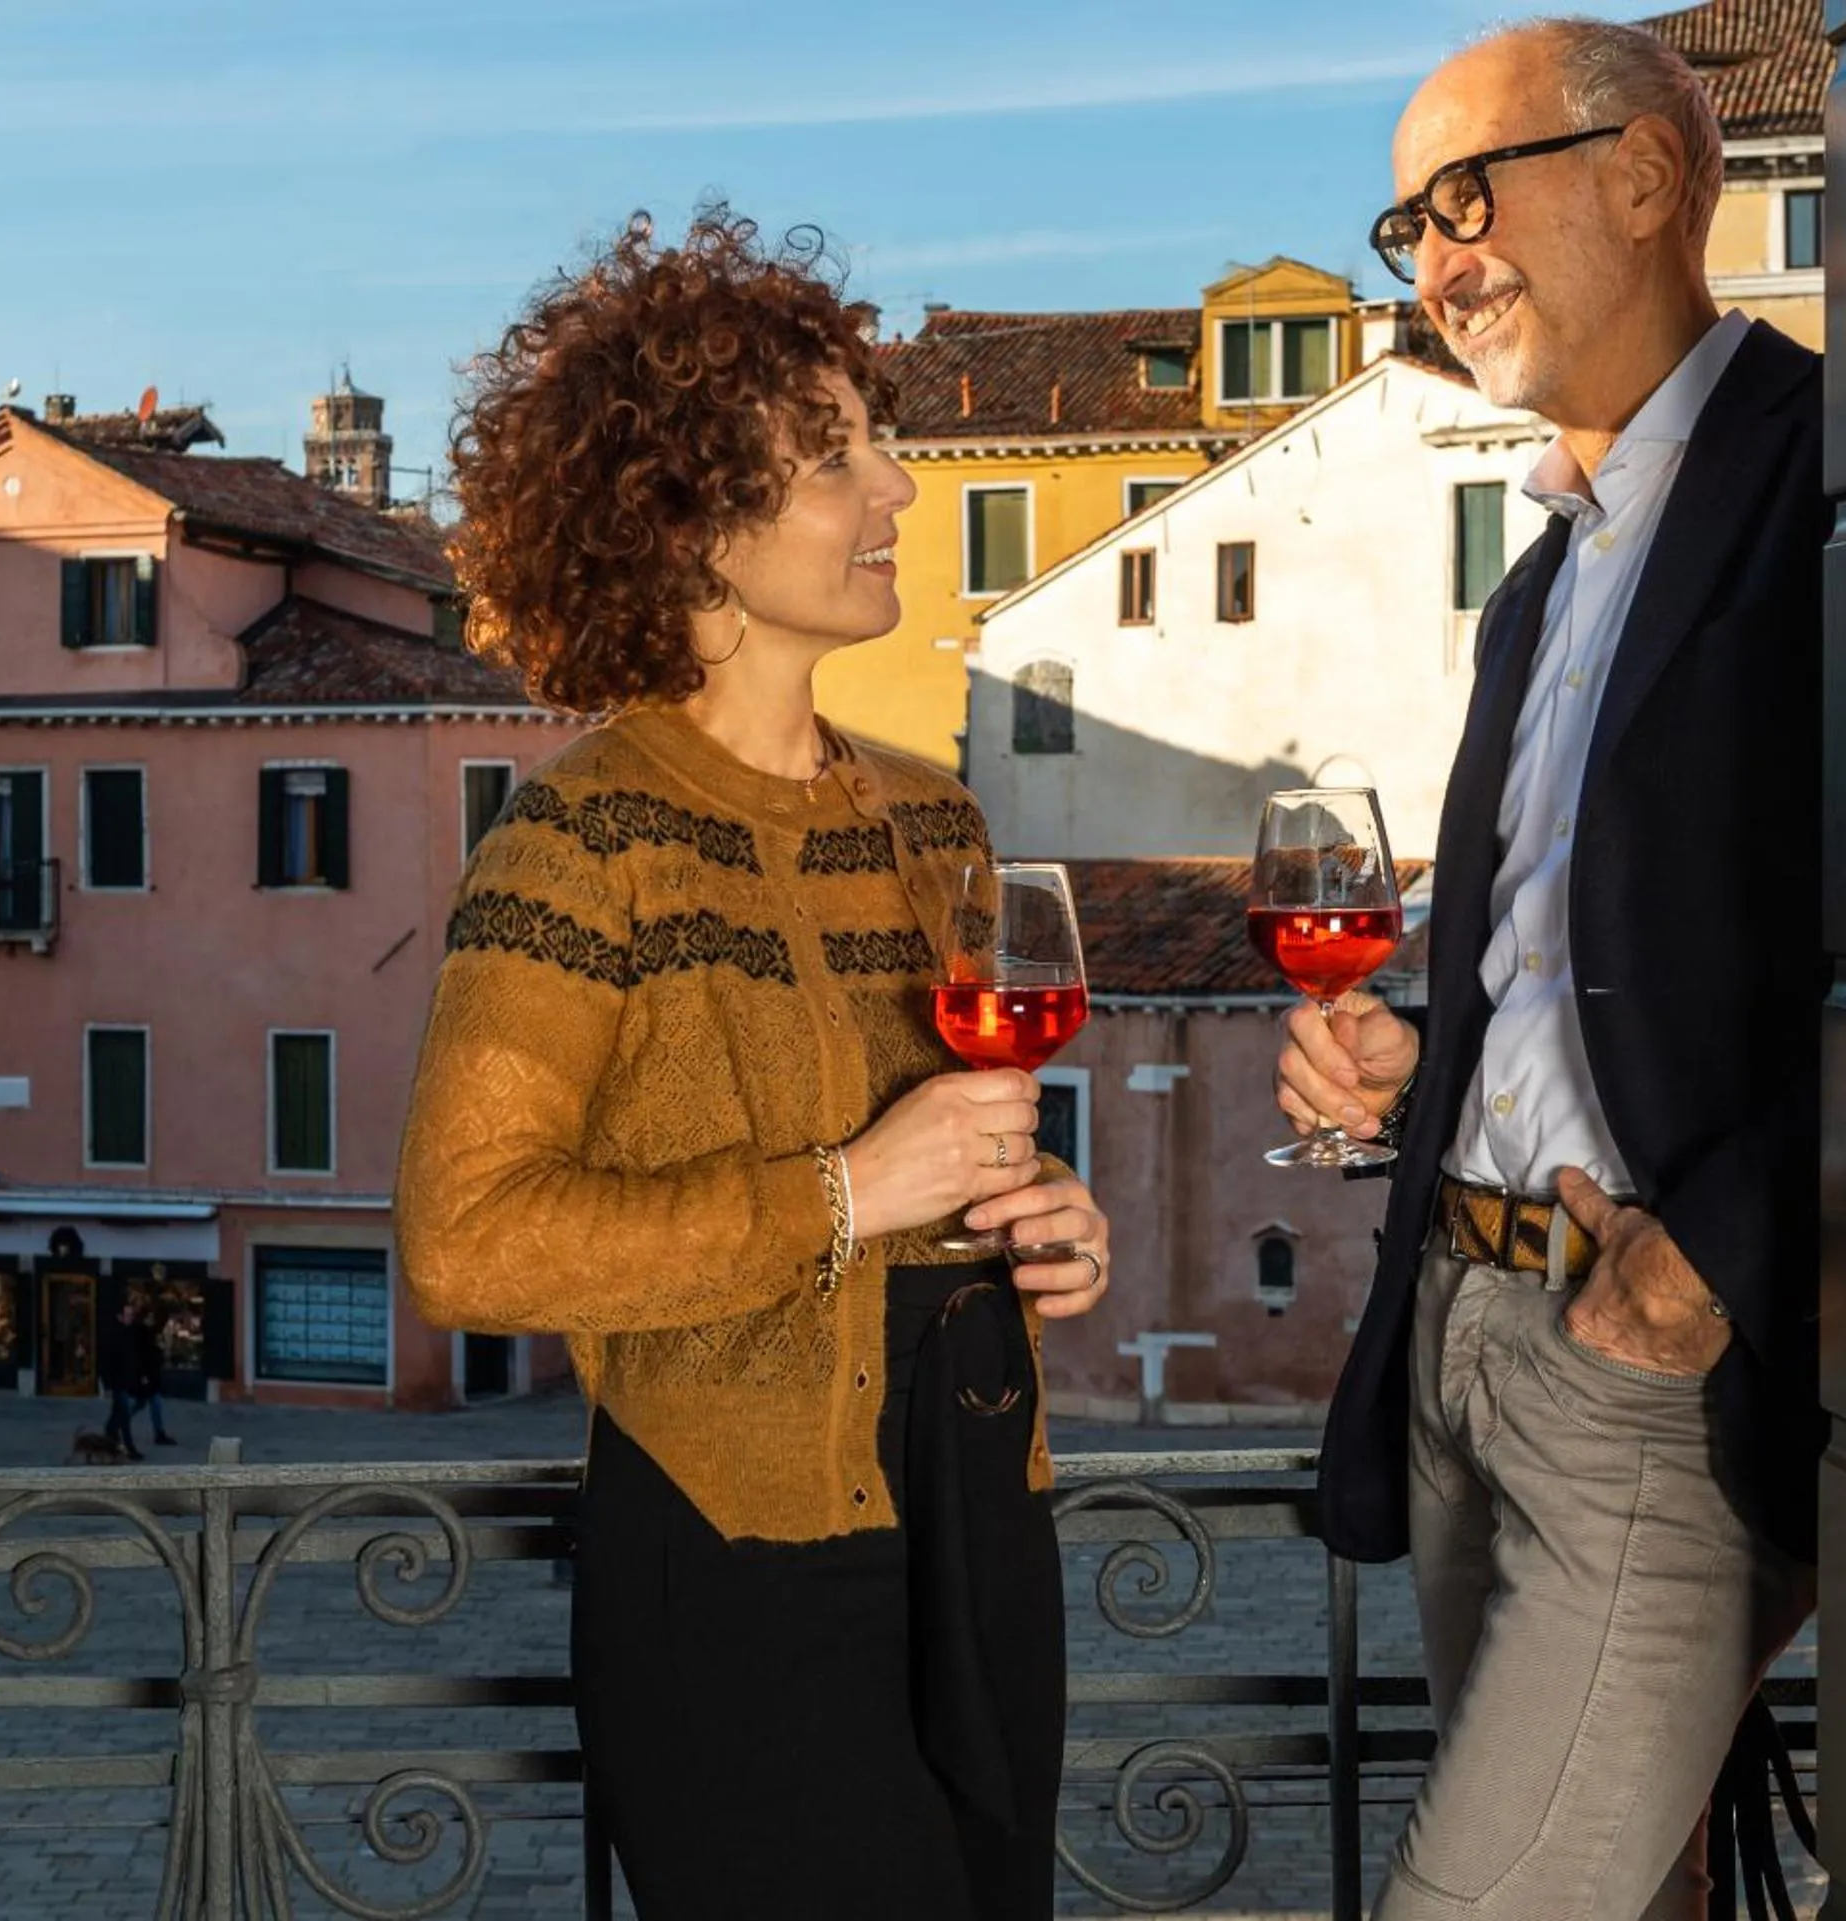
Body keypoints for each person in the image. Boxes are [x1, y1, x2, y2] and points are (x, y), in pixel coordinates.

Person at [396, 208, 1113, 1921]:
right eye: (831, 457)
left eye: (880, 443)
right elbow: (466, 1241)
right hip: (735, 1555)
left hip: (980, 1506)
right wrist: (860, 1188)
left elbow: (954, 1161)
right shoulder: (580, 839)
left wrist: (1036, 1220)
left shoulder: (934, 820)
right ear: (685, 520)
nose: (899, 494)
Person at [1277, 21, 1829, 1920]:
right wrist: (1415, 1060)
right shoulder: (1540, 576)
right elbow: (1585, 967)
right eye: (1405, 225)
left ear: (1647, 177)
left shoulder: (1844, 478)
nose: (1433, 261)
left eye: (1466, 195)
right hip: (1457, 1329)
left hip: (1646, 1368)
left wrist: (1715, 1263)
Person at [97, 1292, 145, 1462]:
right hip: (119, 1383)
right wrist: (108, 1385)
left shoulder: (130, 1333)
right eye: (128, 1315)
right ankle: (129, 1449)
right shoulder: (112, 1336)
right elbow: (105, 1362)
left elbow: (134, 1358)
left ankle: (108, 1436)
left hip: (129, 1381)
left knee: (118, 1415)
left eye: (132, 1315)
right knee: (124, 1417)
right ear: (119, 1316)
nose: (131, 1317)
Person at [130, 1305, 179, 1448]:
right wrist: (143, 1374)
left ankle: (159, 1433)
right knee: (145, 1403)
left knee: (148, 1403)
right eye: (149, 1317)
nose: (151, 1320)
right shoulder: (140, 1333)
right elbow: (139, 1356)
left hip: (151, 1374)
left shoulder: (150, 1332)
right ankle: (158, 1434)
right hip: (145, 1375)